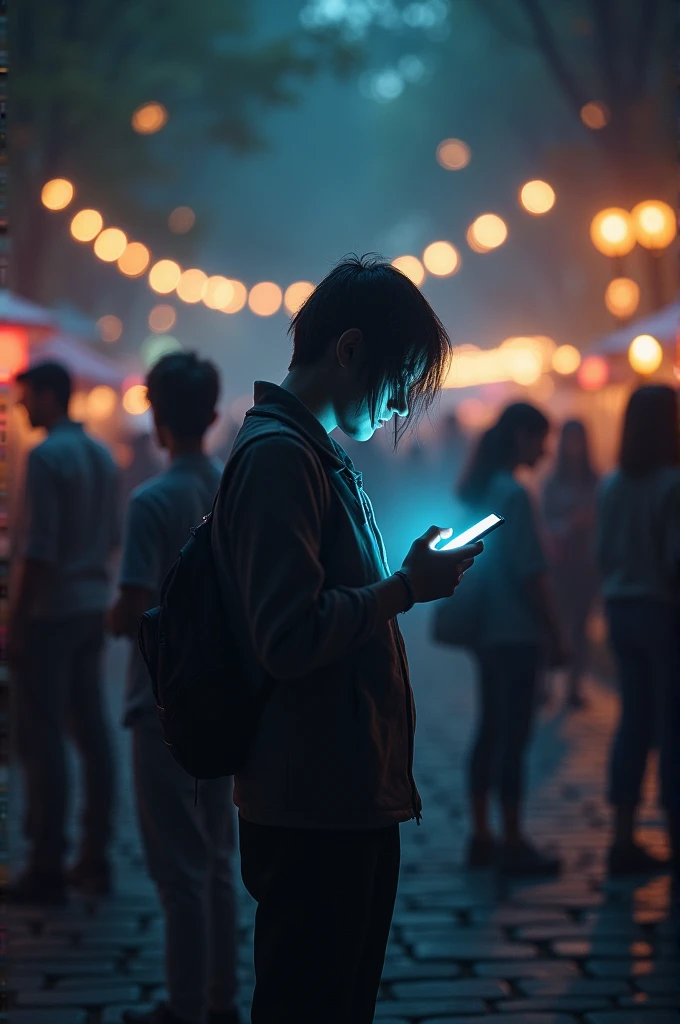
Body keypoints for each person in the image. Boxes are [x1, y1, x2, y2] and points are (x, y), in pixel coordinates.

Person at [211, 254, 482, 1024]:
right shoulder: (279, 459)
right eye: (400, 382)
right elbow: (287, 636)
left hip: (345, 794)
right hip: (311, 803)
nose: (399, 407)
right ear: (351, 349)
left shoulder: (314, 454)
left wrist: (402, 578)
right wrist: (404, 589)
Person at [108, 353, 240, 1024]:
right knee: (217, 857)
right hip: (223, 703)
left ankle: (184, 1006)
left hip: (158, 702)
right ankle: (222, 999)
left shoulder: (151, 501)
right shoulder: (231, 491)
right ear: (215, 417)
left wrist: (109, 615)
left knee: (177, 868)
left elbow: (132, 607)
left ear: (156, 416)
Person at [9, 361, 119, 904]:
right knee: (92, 732)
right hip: (91, 603)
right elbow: (113, 534)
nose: (21, 407)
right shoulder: (100, 454)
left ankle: (46, 859)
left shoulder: (45, 456)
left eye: (26, 397)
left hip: (50, 612)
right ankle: (94, 853)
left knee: (43, 735)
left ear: (50, 396)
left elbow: (37, 551)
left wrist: (15, 620)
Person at [456, 402, 566, 876]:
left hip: (486, 631)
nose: (545, 451)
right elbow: (531, 573)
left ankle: (482, 835)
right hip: (516, 632)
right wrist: (555, 632)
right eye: (541, 439)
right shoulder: (515, 494)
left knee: (489, 730)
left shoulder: (481, 490)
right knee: (513, 738)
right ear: (522, 436)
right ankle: (514, 840)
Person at [597, 385, 679, 877]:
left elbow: (602, 555)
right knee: (672, 727)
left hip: (619, 610)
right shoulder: (672, 483)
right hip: (662, 612)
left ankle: (622, 836)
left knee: (633, 722)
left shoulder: (611, 484)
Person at [541, 419, 599, 709]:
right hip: (560, 563)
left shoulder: (595, 480)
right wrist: (568, 524)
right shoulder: (553, 482)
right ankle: (548, 683)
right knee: (557, 623)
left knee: (581, 626)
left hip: (587, 564)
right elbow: (544, 523)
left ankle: (574, 686)